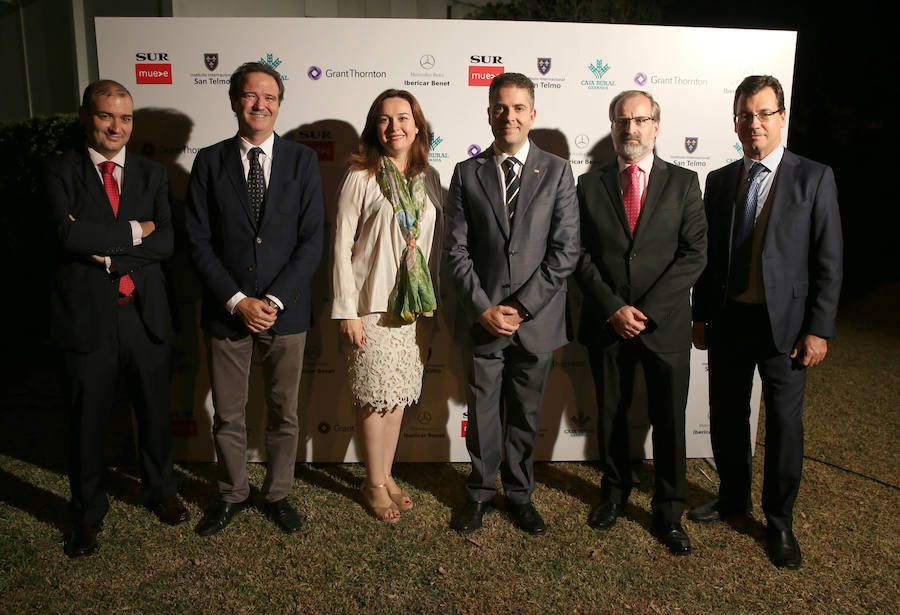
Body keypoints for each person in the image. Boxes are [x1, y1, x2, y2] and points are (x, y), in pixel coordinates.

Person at [690, 75, 842, 570]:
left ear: (782, 117)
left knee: (783, 426)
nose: (753, 123)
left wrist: (818, 329)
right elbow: (709, 261)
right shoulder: (719, 180)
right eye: (744, 114)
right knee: (728, 417)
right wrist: (701, 316)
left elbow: (828, 260)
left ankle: (779, 522)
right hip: (730, 321)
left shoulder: (814, 177)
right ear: (735, 120)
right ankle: (734, 498)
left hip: (788, 330)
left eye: (763, 113)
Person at [47, 79, 188, 558]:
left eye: (125, 117)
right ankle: (86, 513)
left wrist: (107, 253)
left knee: (153, 412)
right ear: (86, 116)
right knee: (86, 421)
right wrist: (134, 231)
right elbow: (65, 237)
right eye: (106, 115)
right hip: (87, 317)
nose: (116, 126)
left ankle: (162, 490)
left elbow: (167, 242)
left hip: (143, 314)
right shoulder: (61, 170)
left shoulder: (151, 173)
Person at [185, 61, 324, 536]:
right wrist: (237, 300)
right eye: (250, 95)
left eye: (269, 97)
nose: (260, 104)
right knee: (228, 414)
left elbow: (312, 241)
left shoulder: (303, 162)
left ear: (279, 104)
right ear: (233, 101)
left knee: (285, 413)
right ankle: (232, 493)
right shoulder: (208, 161)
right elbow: (197, 241)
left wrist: (275, 301)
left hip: (287, 315)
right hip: (227, 314)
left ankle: (279, 494)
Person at [444, 73, 580, 536]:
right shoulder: (466, 173)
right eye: (501, 108)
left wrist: (521, 309)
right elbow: (455, 251)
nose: (509, 116)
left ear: (533, 115)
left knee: (525, 413)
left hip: (535, 322)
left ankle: (520, 495)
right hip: (483, 320)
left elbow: (565, 252)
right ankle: (480, 493)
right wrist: (483, 307)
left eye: (519, 108)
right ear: (488, 113)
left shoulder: (559, 170)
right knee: (482, 416)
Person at [575, 90, 707, 555]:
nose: (630, 128)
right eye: (621, 120)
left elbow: (695, 255)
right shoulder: (589, 186)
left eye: (639, 120)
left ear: (655, 126)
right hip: (608, 323)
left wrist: (646, 310)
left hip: (664, 326)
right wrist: (614, 307)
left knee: (670, 420)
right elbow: (581, 255)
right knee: (611, 413)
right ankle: (613, 493)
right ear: (612, 127)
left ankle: (669, 510)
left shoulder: (685, 183)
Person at [332, 89, 442, 522]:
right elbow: (341, 245)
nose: (394, 127)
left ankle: (385, 473)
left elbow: (432, 247)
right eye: (384, 119)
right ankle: (373, 483)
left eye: (402, 118)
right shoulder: (360, 176)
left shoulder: (428, 178)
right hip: (370, 304)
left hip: (412, 307)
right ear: (374, 128)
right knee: (374, 398)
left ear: (417, 126)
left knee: (395, 396)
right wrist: (346, 311)